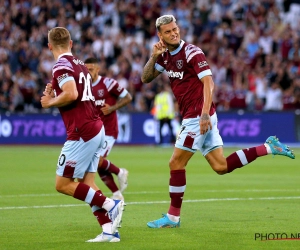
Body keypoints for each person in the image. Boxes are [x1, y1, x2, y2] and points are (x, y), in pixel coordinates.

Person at [141, 15, 295, 228]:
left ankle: (173, 217)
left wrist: (204, 113)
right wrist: (153, 56)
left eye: (175, 29)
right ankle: (268, 147)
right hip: (198, 115)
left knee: (176, 162)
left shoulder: (192, 52)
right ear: (160, 35)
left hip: (198, 116)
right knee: (220, 166)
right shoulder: (164, 55)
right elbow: (145, 78)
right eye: (168, 32)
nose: (174, 33)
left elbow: (209, 82)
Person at [40, 27, 124, 242]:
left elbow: (71, 94)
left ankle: (110, 204)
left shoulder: (60, 66)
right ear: (71, 44)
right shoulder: (79, 64)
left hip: (81, 132)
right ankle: (108, 231)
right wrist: (55, 95)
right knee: (87, 183)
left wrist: (50, 102)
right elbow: (74, 93)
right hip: (96, 127)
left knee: (63, 184)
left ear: (49, 46)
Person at [84, 57, 132, 202]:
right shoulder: (84, 87)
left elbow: (128, 97)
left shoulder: (108, 83)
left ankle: (120, 172)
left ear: (98, 69)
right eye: (86, 70)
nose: (88, 72)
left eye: (91, 69)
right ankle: (116, 193)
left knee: (96, 160)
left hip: (108, 130)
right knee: (97, 165)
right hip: (93, 132)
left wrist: (112, 108)